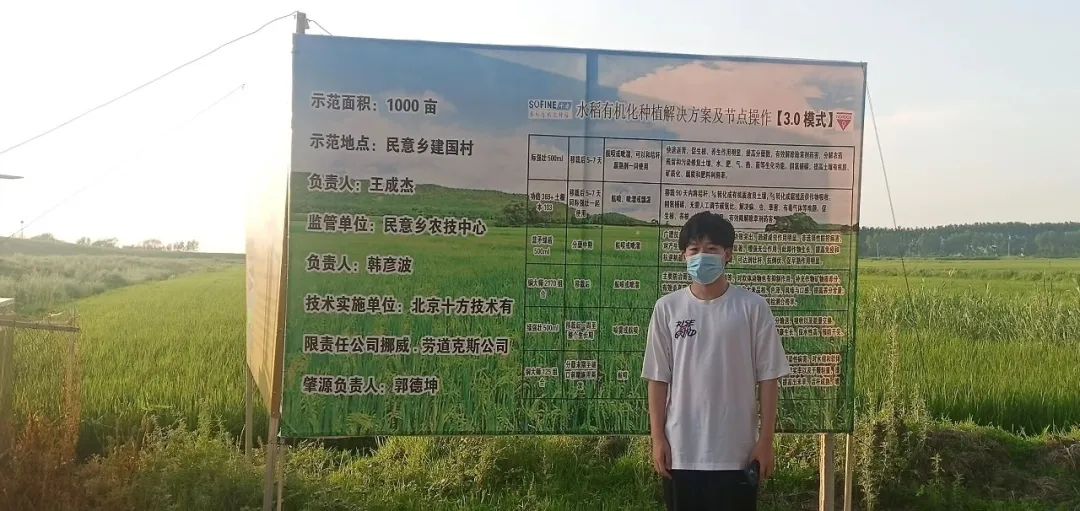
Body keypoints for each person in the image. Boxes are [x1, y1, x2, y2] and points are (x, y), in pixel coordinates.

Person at [641, 211, 791, 511]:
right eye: (694, 249)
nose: (702, 257)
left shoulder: (752, 307)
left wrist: (766, 441)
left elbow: (769, 377)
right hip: (681, 451)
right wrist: (658, 439)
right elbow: (658, 379)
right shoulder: (667, 308)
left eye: (711, 249)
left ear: (728, 254)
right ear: (684, 256)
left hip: (737, 452)